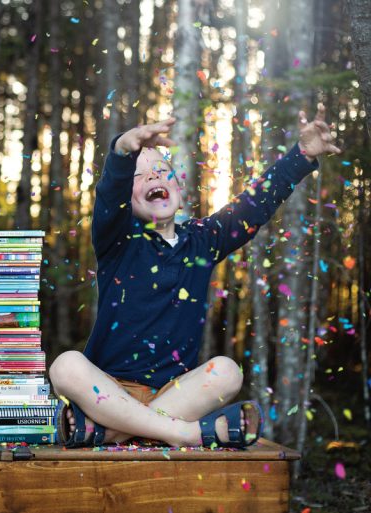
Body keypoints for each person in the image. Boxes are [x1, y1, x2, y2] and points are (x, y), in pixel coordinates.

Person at [49, 105, 341, 448]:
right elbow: (109, 197)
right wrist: (122, 151)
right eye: (139, 176)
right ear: (127, 198)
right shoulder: (118, 239)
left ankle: (109, 432)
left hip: (176, 396)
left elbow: (253, 205)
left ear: (178, 186)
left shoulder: (202, 240)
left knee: (228, 372)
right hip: (109, 391)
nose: (154, 177)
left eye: (161, 171)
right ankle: (184, 434)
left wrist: (301, 155)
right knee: (65, 366)